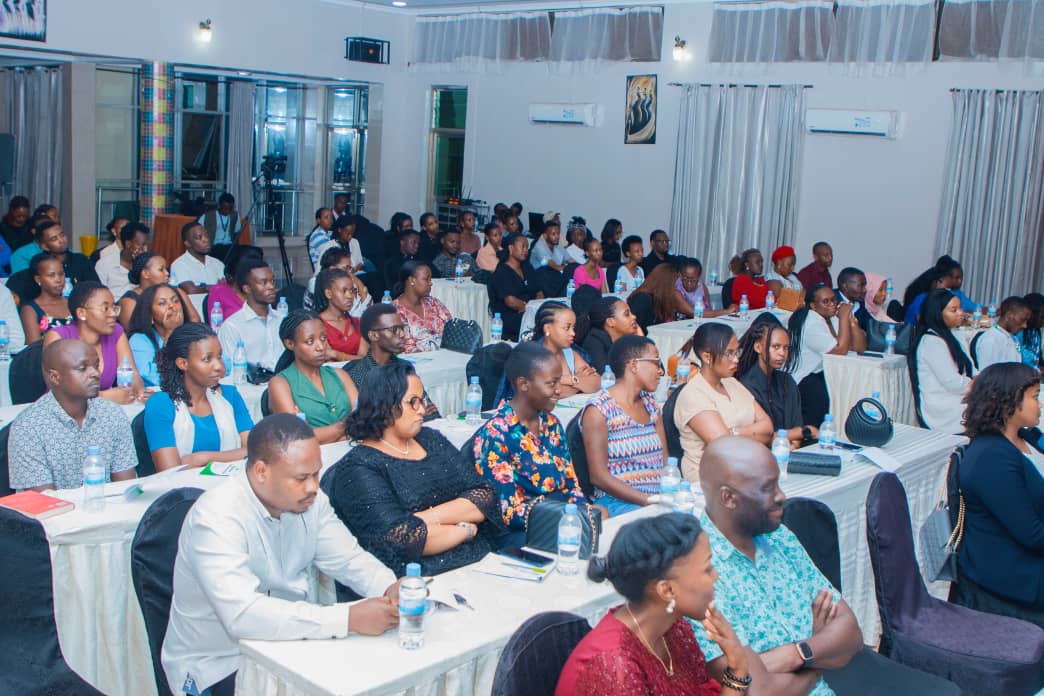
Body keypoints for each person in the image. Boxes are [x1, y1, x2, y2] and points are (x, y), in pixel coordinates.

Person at [161, 413, 399, 696]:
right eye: (301, 478)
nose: (313, 487)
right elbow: (242, 615)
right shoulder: (215, 517)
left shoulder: (312, 501)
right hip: (220, 663)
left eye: (316, 474)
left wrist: (389, 586)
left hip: (293, 644)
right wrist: (347, 618)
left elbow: (348, 559)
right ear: (261, 471)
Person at [694, 437, 863, 694]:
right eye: (768, 488)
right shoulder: (697, 571)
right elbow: (758, 690)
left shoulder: (780, 537)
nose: (781, 496)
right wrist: (819, 657)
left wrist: (799, 653)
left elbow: (851, 634)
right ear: (728, 498)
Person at [330, 362, 503, 576]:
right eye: (413, 402)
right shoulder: (359, 467)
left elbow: (485, 498)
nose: (422, 409)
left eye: (422, 400)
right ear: (385, 405)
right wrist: (464, 530)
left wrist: (420, 519)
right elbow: (402, 540)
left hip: (482, 561)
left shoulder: (430, 439)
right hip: (420, 579)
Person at [558, 513, 757, 695]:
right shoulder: (615, 666)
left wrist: (737, 665)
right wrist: (738, 669)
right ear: (667, 591)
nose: (716, 577)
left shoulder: (675, 629)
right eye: (707, 570)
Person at [952, 363, 1044, 629]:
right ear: (1008, 401)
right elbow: (1033, 536)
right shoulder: (991, 457)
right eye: (1035, 397)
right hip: (1011, 575)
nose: (1040, 404)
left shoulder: (1023, 437)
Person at [474, 343, 589, 537]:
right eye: (551, 384)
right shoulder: (496, 434)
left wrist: (584, 512)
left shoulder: (551, 424)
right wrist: (565, 515)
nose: (559, 390)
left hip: (563, 521)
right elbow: (508, 512)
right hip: (523, 534)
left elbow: (571, 484)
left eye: (559, 382)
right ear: (523, 384)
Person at [8, 339, 138, 491]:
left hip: (109, 511)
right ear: (55, 377)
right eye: (83, 368)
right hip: (53, 513)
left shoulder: (112, 414)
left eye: (96, 366)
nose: (95, 374)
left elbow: (125, 488)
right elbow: (44, 502)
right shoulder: (28, 428)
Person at [145, 322, 253, 471]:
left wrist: (203, 458)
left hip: (229, 486)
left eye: (219, 357)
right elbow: (169, 470)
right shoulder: (161, 404)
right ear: (183, 363)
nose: (219, 367)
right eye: (207, 359)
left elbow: (255, 450)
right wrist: (233, 455)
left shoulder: (230, 396)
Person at [673, 323, 773, 482]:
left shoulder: (732, 383)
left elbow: (768, 428)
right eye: (730, 353)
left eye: (737, 352)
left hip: (746, 469)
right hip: (710, 480)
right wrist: (752, 435)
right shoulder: (693, 394)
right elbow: (724, 447)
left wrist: (733, 432)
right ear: (706, 357)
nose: (736, 359)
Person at [580, 336, 667, 516]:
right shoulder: (600, 409)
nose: (660, 371)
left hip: (658, 498)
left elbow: (664, 462)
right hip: (617, 501)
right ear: (634, 365)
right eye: (656, 363)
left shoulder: (651, 405)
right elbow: (598, 476)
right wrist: (646, 500)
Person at [43, 281, 146, 404]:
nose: (113, 314)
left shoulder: (116, 332)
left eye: (114, 308)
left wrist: (137, 390)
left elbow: (132, 373)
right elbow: (58, 390)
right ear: (82, 313)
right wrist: (103, 397)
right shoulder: (58, 337)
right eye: (105, 308)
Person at [267, 310, 358, 444]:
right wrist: (345, 427)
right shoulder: (280, 383)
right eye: (310, 341)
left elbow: (365, 420)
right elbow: (298, 438)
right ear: (290, 344)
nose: (320, 347)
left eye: (323, 338)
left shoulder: (340, 375)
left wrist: (323, 435)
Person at [789, 284, 867, 426]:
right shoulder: (811, 323)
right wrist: (843, 318)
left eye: (834, 300)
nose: (832, 304)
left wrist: (851, 321)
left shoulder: (831, 318)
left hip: (822, 373)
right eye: (826, 301)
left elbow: (859, 347)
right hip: (804, 378)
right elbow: (839, 350)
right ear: (813, 305)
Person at [344, 304, 440, 419]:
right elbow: (366, 421)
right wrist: (408, 413)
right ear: (374, 335)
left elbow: (429, 411)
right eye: (394, 330)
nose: (402, 334)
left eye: (402, 328)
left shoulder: (405, 367)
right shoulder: (356, 373)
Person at [737, 314, 817, 447]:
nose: (782, 353)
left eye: (786, 348)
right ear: (758, 348)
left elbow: (797, 423)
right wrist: (801, 432)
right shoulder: (746, 385)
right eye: (776, 347)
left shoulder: (787, 381)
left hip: (791, 450)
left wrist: (795, 442)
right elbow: (761, 436)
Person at [908, 288, 974, 432]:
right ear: (937, 313)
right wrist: (980, 385)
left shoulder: (956, 335)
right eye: (954, 310)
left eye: (960, 308)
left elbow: (971, 369)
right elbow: (952, 383)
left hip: (960, 395)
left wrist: (986, 379)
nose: (961, 313)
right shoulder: (931, 341)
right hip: (943, 405)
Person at [217, 259, 284, 372]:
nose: (271, 287)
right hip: (249, 387)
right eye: (263, 283)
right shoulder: (232, 326)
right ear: (247, 288)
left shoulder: (282, 320)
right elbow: (230, 371)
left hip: (284, 385)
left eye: (272, 281)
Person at [531, 301, 600, 397]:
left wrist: (569, 379)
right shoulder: (533, 357)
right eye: (567, 328)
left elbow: (596, 382)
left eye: (573, 328)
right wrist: (580, 381)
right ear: (548, 328)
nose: (573, 333)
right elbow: (547, 394)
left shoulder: (570, 353)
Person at [118, 252, 201, 330]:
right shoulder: (129, 301)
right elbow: (135, 332)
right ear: (145, 274)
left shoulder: (177, 292)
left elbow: (195, 319)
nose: (167, 273)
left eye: (166, 269)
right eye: (161, 269)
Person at [128, 284, 190, 387]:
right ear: (150, 314)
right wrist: (171, 333)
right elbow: (154, 378)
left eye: (175, 301)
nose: (171, 306)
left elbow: (223, 365)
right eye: (162, 303)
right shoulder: (139, 340)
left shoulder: (194, 332)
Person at [393, 260, 452, 353]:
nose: (430, 283)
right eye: (426, 279)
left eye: (430, 279)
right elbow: (407, 347)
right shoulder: (396, 311)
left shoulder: (433, 303)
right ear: (411, 281)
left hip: (446, 356)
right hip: (418, 362)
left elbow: (451, 329)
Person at [492, 233, 543, 341]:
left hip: (530, 311)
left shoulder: (527, 267)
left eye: (527, 247)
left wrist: (536, 307)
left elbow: (539, 292)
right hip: (511, 316)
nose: (526, 250)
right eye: (523, 246)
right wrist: (531, 310)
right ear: (511, 248)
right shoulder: (503, 271)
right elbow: (511, 302)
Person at [11, 220, 96, 281]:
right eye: (54, 238)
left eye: (62, 235)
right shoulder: (39, 263)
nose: (61, 240)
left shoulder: (80, 260)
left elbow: (94, 287)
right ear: (44, 246)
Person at [315, 268, 368, 361]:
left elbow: (364, 361)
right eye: (344, 291)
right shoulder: (317, 324)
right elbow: (327, 360)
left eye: (351, 291)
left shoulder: (358, 323)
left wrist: (337, 355)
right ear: (328, 293)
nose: (350, 296)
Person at [581, 296, 643, 374]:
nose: (634, 316)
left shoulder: (627, 338)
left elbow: (659, 370)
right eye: (627, 314)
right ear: (610, 321)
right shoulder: (594, 342)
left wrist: (642, 342)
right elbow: (607, 376)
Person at [304, 245, 370, 318]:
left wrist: (357, 281)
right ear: (332, 269)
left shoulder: (348, 281)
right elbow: (354, 315)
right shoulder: (315, 283)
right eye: (346, 268)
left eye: (350, 268)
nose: (350, 272)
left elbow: (367, 306)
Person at [19, 252, 69, 344]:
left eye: (61, 274)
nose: (58, 280)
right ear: (38, 279)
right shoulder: (30, 309)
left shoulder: (72, 303)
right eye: (51, 275)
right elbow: (34, 348)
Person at [95, 221, 150, 300]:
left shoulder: (148, 264)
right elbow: (99, 296)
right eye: (142, 245)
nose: (145, 250)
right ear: (128, 244)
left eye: (147, 245)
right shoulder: (105, 264)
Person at [973, 296, 1030, 370]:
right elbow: (987, 375)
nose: (1025, 325)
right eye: (1022, 320)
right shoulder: (991, 339)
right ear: (1009, 316)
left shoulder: (1014, 339)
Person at [170, 222, 224, 293]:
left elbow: (227, 288)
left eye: (206, 235)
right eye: (199, 237)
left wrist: (205, 287)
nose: (206, 240)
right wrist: (217, 287)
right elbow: (190, 290)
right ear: (188, 243)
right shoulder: (179, 264)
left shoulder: (217, 263)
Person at [629, 263, 681, 331]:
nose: (676, 288)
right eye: (674, 285)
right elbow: (633, 328)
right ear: (666, 285)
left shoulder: (658, 299)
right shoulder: (642, 299)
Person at [198, 192, 243, 259]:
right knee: (222, 252)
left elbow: (236, 234)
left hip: (229, 246)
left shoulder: (235, 216)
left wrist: (236, 248)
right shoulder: (207, 216)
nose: (227, 211)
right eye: (225, 208)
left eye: (230, 208)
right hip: (214, 247)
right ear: (219, 205)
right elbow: (197, 232)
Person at [1021, 293, 1044, 368]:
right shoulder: (1018, 332)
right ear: (1031, 314)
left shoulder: (1036, 332)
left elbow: (1038, 359)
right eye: (1042, 317)